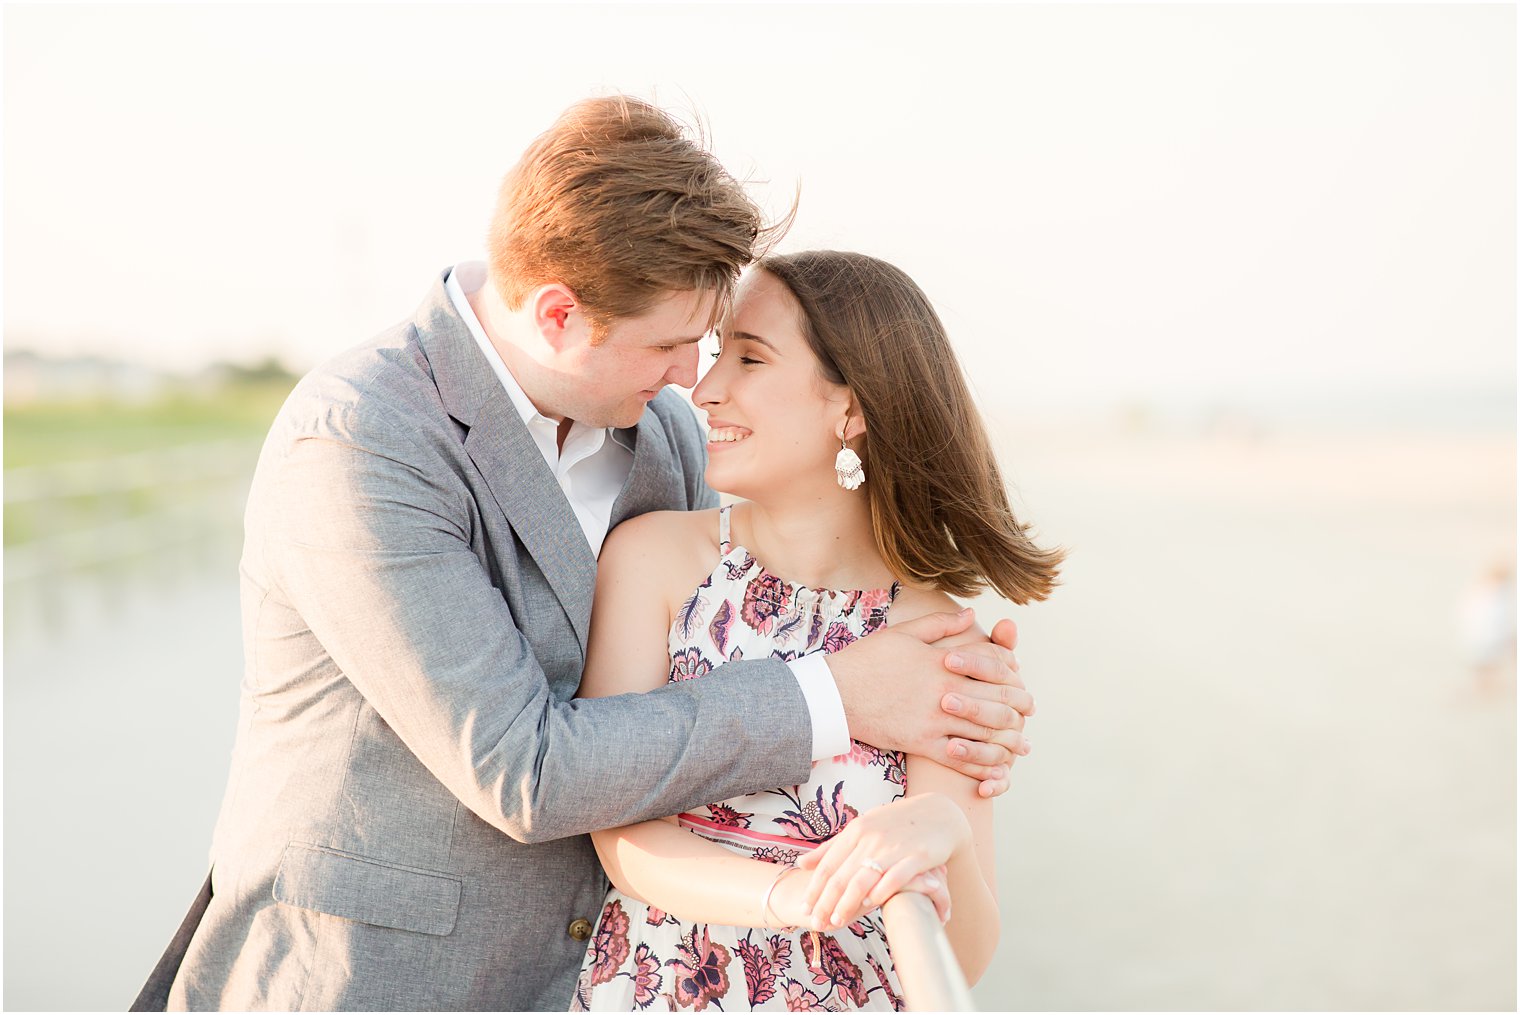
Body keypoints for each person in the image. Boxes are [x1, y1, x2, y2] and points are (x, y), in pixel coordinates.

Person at [135, 96, 1033, 1013]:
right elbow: (524, 768)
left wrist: (967, 714)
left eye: (719, 346)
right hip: (369, 978)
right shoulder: (362, 440)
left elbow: (700, 662)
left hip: (593, 980)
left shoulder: (661, 437)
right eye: (675, 345)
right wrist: (843, 693)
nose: (694, 377)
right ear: (560, 316)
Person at [569, 251, 1063, 1010]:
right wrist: (796, 896)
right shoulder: (655, 560)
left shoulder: (936, 637)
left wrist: (943, 832)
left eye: (750, 358)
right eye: (717, 354)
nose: (705, 390)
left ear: (852, 409)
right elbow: (623, 835)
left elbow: (962, 957)